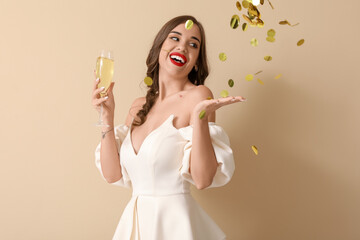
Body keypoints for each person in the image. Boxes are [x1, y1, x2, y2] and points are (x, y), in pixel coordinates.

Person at [92, 15, 246, 240]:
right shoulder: (138, 106)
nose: (183, 47)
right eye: (175, 38)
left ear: (196, 60)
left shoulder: (199, 96)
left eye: (193, 44)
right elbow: (112, 174)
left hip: (175, 226)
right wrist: (107, 115)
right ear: (159, 47)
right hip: (135, 225)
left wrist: (200, 118)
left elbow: (203, 180)